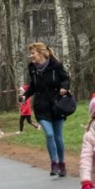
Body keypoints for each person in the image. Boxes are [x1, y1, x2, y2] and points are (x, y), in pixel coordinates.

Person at [23, 42, 71, 177]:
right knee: (49, 134)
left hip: (57, 105)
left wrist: (64, 87)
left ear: (41, 53)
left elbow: (66, 79)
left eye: (33, 53)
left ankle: (62, 163)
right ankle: (54, 163)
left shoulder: (56, 66)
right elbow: (33, 86)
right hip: (41, 107)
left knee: (58, 137)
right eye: (30, 53)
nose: (31, 56)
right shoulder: (32, 68)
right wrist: (25, 96)